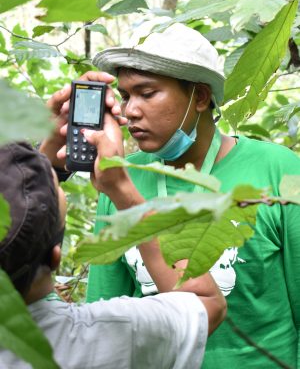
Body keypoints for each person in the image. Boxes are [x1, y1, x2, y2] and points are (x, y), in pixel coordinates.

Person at [40, 22, 300, 368]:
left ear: (201, 97)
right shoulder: (119, 180)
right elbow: (108, 311)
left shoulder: (278, 169)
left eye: (147, 94)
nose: (130, 110)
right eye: (126, 96)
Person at [0, 147, 226, 368]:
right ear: (55, 257)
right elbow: (205, 300)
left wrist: (36, 162)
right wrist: (120, 186)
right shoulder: (104, 336)